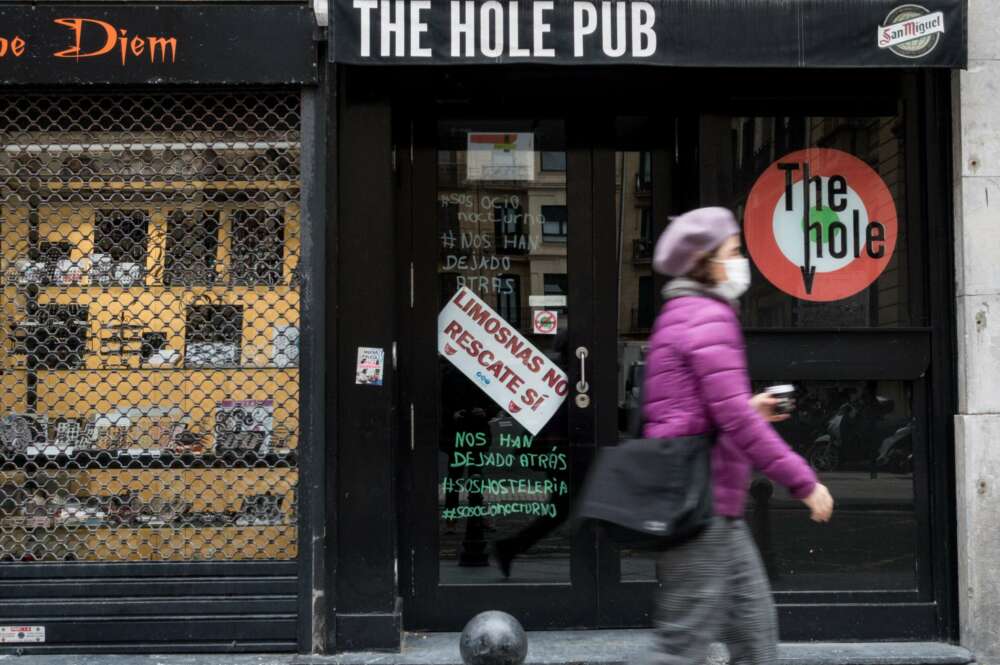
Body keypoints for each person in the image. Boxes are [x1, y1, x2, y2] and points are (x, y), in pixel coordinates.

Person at [643, 206, 834, 665]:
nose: (740, 261)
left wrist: (749, 408)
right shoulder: (707, 317)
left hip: (712, 506)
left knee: (755, 640)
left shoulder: (681, 313)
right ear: (705, 260)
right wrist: (804, 482)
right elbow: (735, 424)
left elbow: (697, 411)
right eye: (733, 251)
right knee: (683, 647)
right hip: (700, 508)